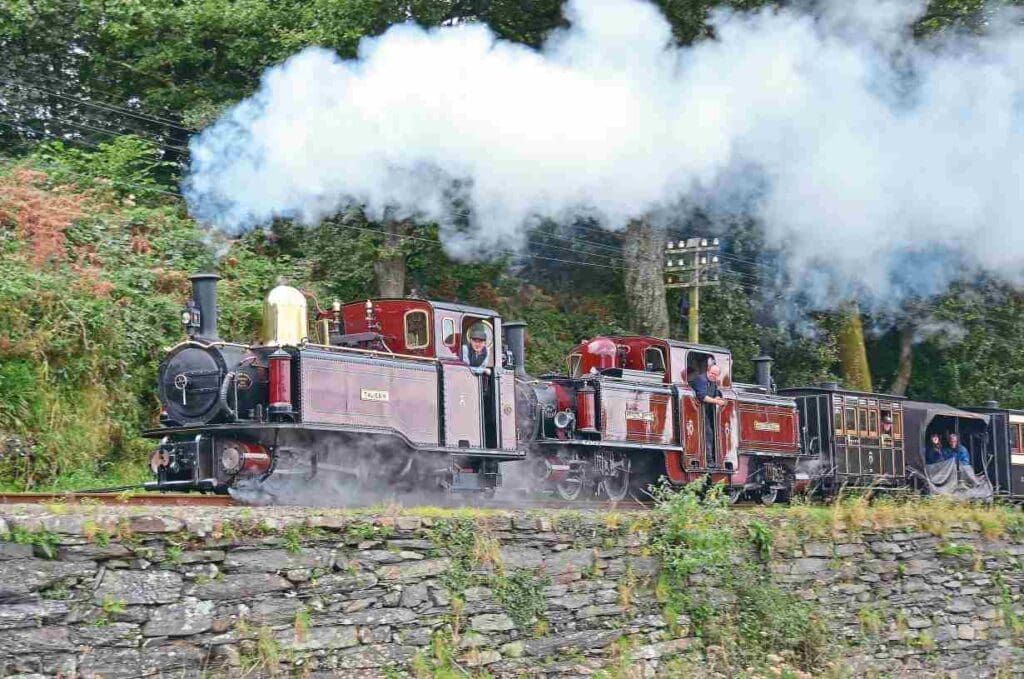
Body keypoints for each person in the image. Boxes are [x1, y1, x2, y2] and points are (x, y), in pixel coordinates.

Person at [691, 363, 725, 467]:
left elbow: (714, 394)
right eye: (712, 373)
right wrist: (716, 401)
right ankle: (708, 460)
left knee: (715, 432)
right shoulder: (700, 380)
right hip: (697, 412)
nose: (713, 376)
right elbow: (702, 396)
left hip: (707, 411)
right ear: (707, 371)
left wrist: (717, 397)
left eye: (715, 375)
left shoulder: (713, 383)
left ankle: (714, 458)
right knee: (708, 433)